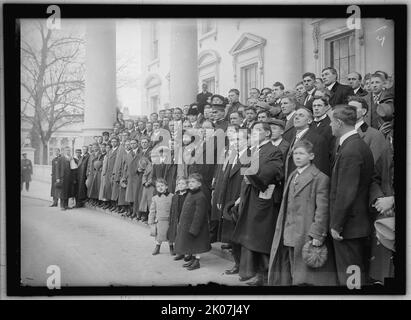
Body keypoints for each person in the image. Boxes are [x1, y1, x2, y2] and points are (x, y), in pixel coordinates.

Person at [268, 139, 337, 286]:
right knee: (290, 269)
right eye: (295, 153)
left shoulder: (320, 178)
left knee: (305, 275)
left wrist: (318, 234)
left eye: (302, 154)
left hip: (305, 232)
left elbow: (322, 210)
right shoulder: (293, 175)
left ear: (311, 156)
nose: (297, 157)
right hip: (289, 231)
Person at [232, 122, 284, 286]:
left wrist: (251, 175)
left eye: (258, 131)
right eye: (252, 131)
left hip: (263, 200)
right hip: (250, 196)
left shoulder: (274, 151)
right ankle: (251, 271)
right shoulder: (254, 151)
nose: (253, 133)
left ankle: (263, 274)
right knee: (250, 234)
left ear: (268, 134)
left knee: (260, 236)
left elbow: (270, 174)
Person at [329, 104, 374, 286]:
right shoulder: (352, 145)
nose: (330, 126)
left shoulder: (351, 149)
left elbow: (346, 192)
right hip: (353, 223)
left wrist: (337, 224)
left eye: (332, 122)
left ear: (339, 123)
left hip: (349, 226)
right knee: (352, 273)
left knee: (350, 277)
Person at [174, 173, 211, 271]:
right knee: (193, 245)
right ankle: (193, 260)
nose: (190, 184)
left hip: (197, 226)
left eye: (193, 182)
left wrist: (194, 228)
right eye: (189, 182)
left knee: (197, 245)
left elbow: (199, 215)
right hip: (188, 225)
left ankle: (197, 261)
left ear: (199, 184)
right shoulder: (190, 193)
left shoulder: (200, 196)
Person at [284, 107, 330, 181]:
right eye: (295, 115)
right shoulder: (290, 137)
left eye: (301, 115)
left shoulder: (317, 140)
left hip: (306, 184)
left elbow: (320, 166)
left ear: (309, 120)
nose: (296, 117)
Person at [349, 96, 389, 164]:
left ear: (363, 111)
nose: (349, 112)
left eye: (353, 108)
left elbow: (373, 165)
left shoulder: (375, 135)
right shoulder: (341, 133)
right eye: (348, 109)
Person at [149, 178, 174, 255]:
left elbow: (174, 209)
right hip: (160, 220)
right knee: (159, 235)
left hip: (169, 219)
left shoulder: (172, 196)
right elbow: (152, 210)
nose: (160, 187)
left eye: (162, 185)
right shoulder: (155, 198)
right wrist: (151, 220)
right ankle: (157, 247)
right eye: (158, 186)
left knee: (170, 234)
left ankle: (171, 247)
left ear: (166, 186)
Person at [169, 177, 189, 260]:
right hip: (176, 218)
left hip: (185, 219)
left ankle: (188, 253)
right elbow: (172, 209)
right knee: (178, 236)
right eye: (179, 184)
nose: (180, 185)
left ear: (187, 185)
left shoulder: (189, 196)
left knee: (185, 236)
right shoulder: (175, 196)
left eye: (183, 183)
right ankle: (180, 253)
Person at [56, 146, 73, 211]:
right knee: (62, 192)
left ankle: (66, 205)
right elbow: (58, 168)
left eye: (69, 150)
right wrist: (58, 178)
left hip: (69, 178)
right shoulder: (61, 159)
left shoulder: (71, 159)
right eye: (67, 150)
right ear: (64, 151)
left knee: (67, 191)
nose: (68, 152)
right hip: (62, 177)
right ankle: (62, 206)